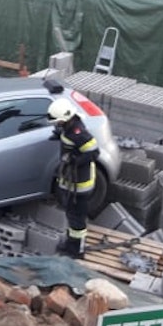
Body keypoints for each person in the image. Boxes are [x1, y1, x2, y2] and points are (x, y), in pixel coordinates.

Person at [48, 97, 99, 258]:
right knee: (71, 214)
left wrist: (75, 160)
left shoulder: (78, 133)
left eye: (58, 122)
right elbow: (68, 139)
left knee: (77, 218)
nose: (57, 124)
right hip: (71, 182)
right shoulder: (69, 127)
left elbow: (94, 153)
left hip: (80, 184)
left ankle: (77, 250)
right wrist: (60, 135)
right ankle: (71, 243)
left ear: (65, 118)